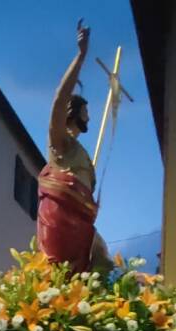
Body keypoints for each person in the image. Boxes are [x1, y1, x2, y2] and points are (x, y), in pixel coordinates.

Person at [39, 21, 106, 273]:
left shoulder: (82, 153)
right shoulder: (60, 141)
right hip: (61, 221)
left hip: (82, 222)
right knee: (63, 276)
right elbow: (59, 98)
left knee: (99, 264)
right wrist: (81, 56)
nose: (89, 117)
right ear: (73, 113)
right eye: (85, 111)